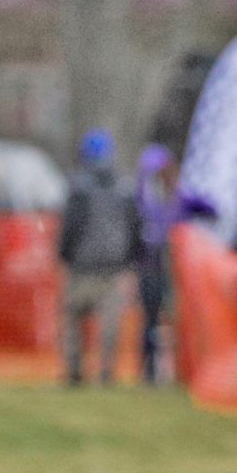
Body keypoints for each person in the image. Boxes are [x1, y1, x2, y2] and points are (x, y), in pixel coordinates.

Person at [57, 128, 140, 386]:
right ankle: (106, 374)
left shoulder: (79, 187)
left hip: (82, 265)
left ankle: (74, 372)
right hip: (114, 266)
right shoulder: (124, 187)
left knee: (72, 319)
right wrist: (129, 258)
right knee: (109, 325)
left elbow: (71, 225)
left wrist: (64, 254)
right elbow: (134, 225)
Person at [135, 144, 181, 384]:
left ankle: (175, 370)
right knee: (150, 320)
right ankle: (148, 370)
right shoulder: (142, 199)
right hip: (151, 267)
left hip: (171, 268)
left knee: (173, 319)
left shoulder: (177, 197)